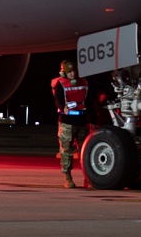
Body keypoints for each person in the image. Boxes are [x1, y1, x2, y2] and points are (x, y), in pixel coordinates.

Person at [51, 59, 90, 188]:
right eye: (70, 72)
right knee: (66, 151)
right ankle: (68, 178)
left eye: (74, 71)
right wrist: (63, 108)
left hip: (82, 121)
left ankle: (87, 178)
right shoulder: (60, 84)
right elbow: (59, 101)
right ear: (64, 73)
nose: (73, 74)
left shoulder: (83, 82)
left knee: (85, 151)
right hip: (67, 122)